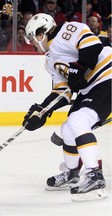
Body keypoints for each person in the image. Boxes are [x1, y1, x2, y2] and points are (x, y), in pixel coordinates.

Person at [23, 13, 111, 201]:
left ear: (41, 33)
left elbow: (93, 45)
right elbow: (63, 91)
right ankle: (72, 174)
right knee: (68, 128)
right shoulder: (50, 61)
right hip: (92, 88)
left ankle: (94, 175)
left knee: (78, 120)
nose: (32, 44)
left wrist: (80, 66)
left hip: (108, 76)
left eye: (32, 38)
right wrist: (43, 110)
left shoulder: (67, 30)